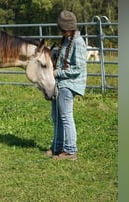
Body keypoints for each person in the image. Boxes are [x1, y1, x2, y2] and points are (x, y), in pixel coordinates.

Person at [46, 10, 87, 160]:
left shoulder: (78, 42)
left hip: (69, 84)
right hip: (61, 83)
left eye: (63, 29)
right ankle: (56, 147)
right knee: (56, 116)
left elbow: (78, 68)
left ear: (67, 29)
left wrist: (57, 73)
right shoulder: (66, 40)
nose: (61, 32)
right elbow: (65, 60)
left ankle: (70, 150)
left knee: (66, 116)